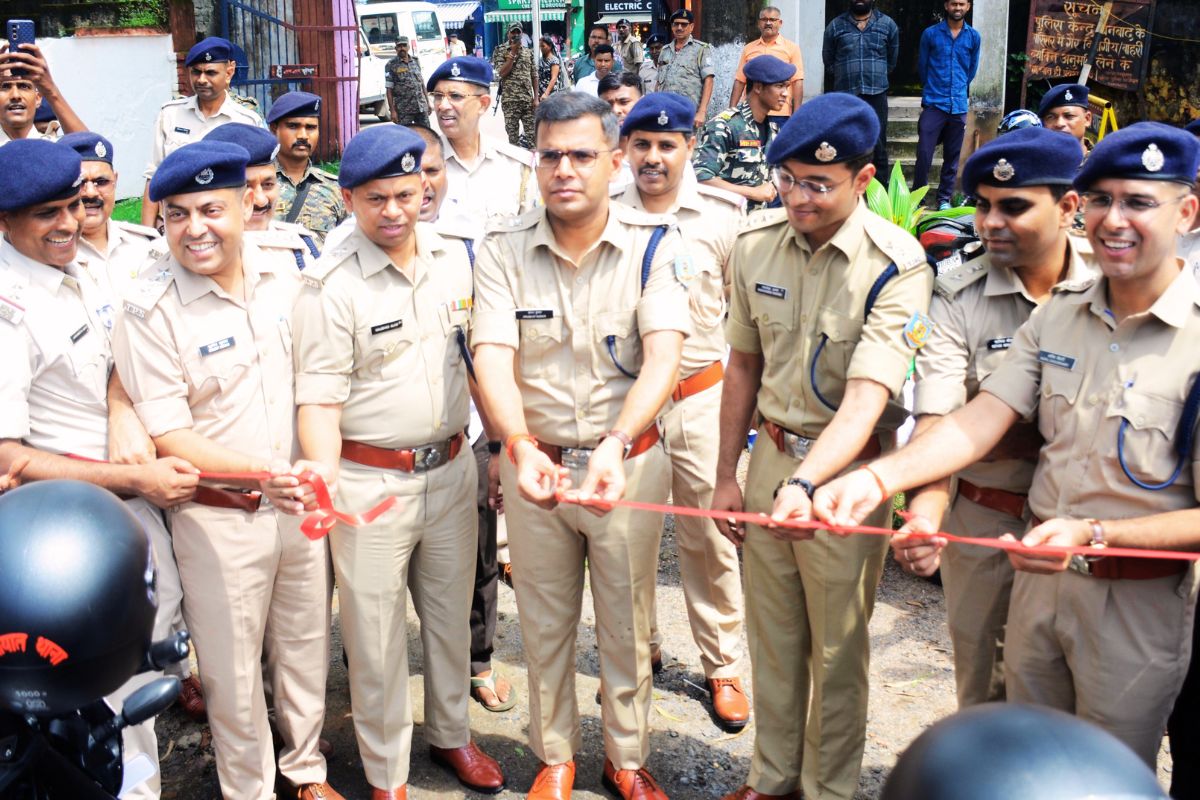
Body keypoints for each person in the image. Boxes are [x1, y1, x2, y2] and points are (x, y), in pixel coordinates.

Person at [813, 121, 1200, 769]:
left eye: (1138, 201)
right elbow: (977, 418)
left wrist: (1092, 533)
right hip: (1039, 591)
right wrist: (880, 480)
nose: (1114, 220)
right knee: (1019, 760)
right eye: (1103, 199)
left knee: (1103, 772)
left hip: (1136, 601)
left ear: (1186, 211)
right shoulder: (1061, 313)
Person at [472, 91, 691, 800]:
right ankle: (555, 754)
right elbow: (492, 356)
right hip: (537, 468)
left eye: (582, 154)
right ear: (535, 162)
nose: (564, 169)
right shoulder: (503, 249)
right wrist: (518, 444)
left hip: (623, 463)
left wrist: (616, 441)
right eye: (550, 155)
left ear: (616, 159)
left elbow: (663, 358)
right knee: (543, 620)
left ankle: (625, 758)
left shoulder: (656, 244)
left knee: (627, 622)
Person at [712, 93, 932, 800]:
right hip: (771, 459)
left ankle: (828, 789)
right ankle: (771, 777)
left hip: (847, 476)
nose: (798, 197)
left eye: (819, 184)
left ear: (864, 180)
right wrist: (727, 476)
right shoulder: (754, 245)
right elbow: (742, 367)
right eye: (788, 179)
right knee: (772, 636)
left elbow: (869, 398)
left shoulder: (896, 266)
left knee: (836, 651)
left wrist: (806, 483)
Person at [112, 140, 341, 800]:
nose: (195, 228)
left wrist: (310, 469)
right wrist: (261, 470)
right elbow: (169, 432)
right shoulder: (149, 307)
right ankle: (252, 790)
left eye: (211, 208)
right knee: (233, 677)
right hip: (218, 519)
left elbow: (314, 386)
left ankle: (307, 772)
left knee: (303, 649)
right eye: (177, 214)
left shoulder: (288, 273)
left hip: (296, 503)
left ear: (247, 204)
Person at [293, 124, 505, 800]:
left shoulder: (456, 258)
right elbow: (319, 401)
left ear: (426, 189)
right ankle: (387, 775)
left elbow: (478, 364)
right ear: (349, 198)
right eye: (377, 198)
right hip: (368, 483)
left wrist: (498, 447)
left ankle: (451, 737)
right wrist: (325, 482)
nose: (394, 211)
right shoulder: (329, 285)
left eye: (407, 194)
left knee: (449, 618)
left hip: (449, 471)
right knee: (377, 640)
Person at [0, 138, 203, 800]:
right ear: (5, 222)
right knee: (97, 700)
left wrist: (119, 407)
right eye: (46, 215)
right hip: (66, 549)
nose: (68, 224)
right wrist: (137, 481)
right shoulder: (7, 309)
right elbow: (8, 461)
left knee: (141, 676)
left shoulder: (81, 263)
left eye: (74, 205)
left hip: (125, 521)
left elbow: (121, 348)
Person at [891, 127, 1091, 709]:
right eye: (982, 205)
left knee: (1085, 703)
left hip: (1089, 529)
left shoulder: (1110, 288)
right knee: (985, 697)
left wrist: (995, 432)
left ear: (1068, 206)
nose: (990, 221)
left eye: (1014, 206)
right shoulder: (957, 294)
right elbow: (937, 418)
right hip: (985, 523)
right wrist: (925, 513)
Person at [618, 92, 751, 731]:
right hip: (628, 402)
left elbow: (743, 319)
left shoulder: (724, 217)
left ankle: (722, 664)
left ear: (690, 148)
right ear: (624, 151)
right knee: (628, 536)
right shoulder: (603, 213)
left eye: (667, 145)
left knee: (710, 536)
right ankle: (638, 650)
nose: (653, 157)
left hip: (701, 396)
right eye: (641, 144)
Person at [405, 122, 515, 715]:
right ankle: (380, 671)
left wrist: (497, 441)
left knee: (475, 554)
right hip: (381, 444)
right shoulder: (346, 243)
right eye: (408, 168)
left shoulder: (474, 243)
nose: (422, 184)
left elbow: (489, 346)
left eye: (432, 169)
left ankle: (478, 660)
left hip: (465, 429)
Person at [141, 37, 265, 228]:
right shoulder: (170, 115)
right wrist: (146, 237)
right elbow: (153, 177)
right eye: (196, 72)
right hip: (177, 222)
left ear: (229, 72)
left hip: (227, 223)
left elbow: (257, 181)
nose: (201, 80)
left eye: (210, 73)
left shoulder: (246, 121)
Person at [427, 56, 537, 240]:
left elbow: (530, 236)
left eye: (455, 96)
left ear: (483, 104)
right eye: (438, 96)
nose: (443, 106)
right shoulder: (422, 167)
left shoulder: (515, 166)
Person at [203, 122, 321, 271]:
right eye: (245, 187)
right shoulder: (186, 255)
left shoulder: (301, 249)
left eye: (268, 185)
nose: (261, 200)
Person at [693, 55, 792, 212]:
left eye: (786, 87)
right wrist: (753, 193)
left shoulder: (773, 130)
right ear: (758, 87)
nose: (785, 93)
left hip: (755, 225)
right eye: (779, 86)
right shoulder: (725, 126)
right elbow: (701, 177)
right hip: (724, 224)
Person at [914, 0, 982, 209]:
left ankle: (943, 199)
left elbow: (971, 70)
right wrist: (935, 88)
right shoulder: (931, 34)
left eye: (962, 4)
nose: (957, 8)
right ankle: (918, 199)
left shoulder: (973, 37)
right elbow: (923, 67)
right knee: (924, 154)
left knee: (952, 157)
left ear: (968, 7)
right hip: (935, 102)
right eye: (954, 4)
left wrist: (958, 88)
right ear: (946, 5)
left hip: (958, 106)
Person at [822, 0, 900, 178]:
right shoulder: (835, 26)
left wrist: (875, 74)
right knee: (844, 141)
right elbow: (829, 60)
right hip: (846, 95)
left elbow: (892, 61)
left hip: (876, 92)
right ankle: (847, 192)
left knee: (878, 143)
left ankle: (879, 195)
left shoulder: (888, 24)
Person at [268, 91, 347, 248]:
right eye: (293, 126)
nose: (303, 135)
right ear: (274, 129)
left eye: (310, 127)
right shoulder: (258, 185)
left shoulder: (335, 189)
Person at [0, 42, 84, 144]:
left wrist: (51, 91)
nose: (15, 96)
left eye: (24, 86)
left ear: (38, 99)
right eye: (5, 87)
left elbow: (90, 152)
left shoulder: (56, 149)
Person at [730, 6, 804, 113]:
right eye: (764, 19)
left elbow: (797, 82)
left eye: (773, 20)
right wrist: (731, 110)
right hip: (752, 111)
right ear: (759, 23)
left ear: (780, 23)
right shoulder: (748, 49)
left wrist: (797, 113)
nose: (768, 23)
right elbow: (740, 81)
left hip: (780, 112)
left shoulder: (792, 48)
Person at [655, 10, 714, 130]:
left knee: (690, 147)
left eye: (684, 24)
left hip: (690, 115)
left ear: (691, 27)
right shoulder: (664, 51)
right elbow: (658, 82)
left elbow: (709, 80)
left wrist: (702, 112)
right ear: (672, 27)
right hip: (666, 114)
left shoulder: (701, 49)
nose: (679, 27)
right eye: (676, 24)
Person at [493, 23, 539, 147]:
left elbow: (534, 75)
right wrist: (512, 53)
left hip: (527, 101)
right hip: (510, 101)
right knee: (513, 141)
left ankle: (534, 165)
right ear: (508, 33)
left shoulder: (528, 52)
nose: (516, 35)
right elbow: (501, 73)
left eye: (518, 32)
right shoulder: (500, 50)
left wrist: (536, 99)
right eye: (513, 32)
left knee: (533, 139)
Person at [1038, 83, 1093, 159]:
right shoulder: (1034, 164)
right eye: (1051, 117)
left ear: (1087, 119)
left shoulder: (1101, 166)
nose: (1059, 123)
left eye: (1069, 116)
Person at [386, 36, 430, 126]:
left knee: (426, 135)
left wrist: (428, 103)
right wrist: (392, 111)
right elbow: (389, 89)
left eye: (404, 45)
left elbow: (421, 83)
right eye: (399, 46)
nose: (402, 48)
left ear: (408, 47)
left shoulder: (416, 61)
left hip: (420, 107)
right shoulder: (391, 64)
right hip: (404, 110)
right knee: (405, 137)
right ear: (396, 48)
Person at [538, 37, 564, 102]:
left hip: (551, 94)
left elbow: (554, 78)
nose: (541, 48)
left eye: (543, 46)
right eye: (540, 46)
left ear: (549, 46)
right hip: (541, 94)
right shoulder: (541, 60)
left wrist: (546, 93)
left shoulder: (554, 60)